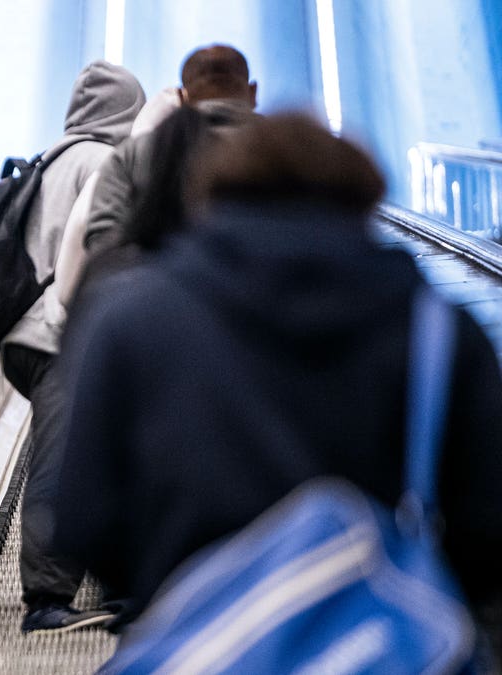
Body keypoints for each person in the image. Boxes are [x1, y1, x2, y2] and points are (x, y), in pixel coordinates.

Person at [50, 114, 502, 634]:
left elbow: (82, 520)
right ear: (366, 200)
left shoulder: (132, 319)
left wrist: (168, 584)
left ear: (212, 196)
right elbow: (489, 523)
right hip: (384, 645)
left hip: (202, 642)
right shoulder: (438, 328)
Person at [0, 60, 146, 634]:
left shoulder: (52, 157)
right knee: (62, 465)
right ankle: (46, 599)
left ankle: (108, 583)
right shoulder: (105, 162)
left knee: (90, 455)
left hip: (27, 333)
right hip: (61, 331)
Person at [83, 44, 259, 258]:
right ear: (253, 92)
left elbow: (103, 246)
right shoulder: (292, 153)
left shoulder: (133, 155)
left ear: (181, 97)